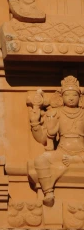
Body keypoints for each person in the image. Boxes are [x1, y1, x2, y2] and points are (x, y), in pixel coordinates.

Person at [28, 76, 84, 207]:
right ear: (61, 97)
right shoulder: (55, 113)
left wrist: (77, 158)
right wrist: (35, 122)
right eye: (67, 94)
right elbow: (42, 138)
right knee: (40, 160)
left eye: (74, 94)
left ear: (80, 97)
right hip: (62, 151)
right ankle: (48, 192)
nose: (71, 97)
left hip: (81, 151)